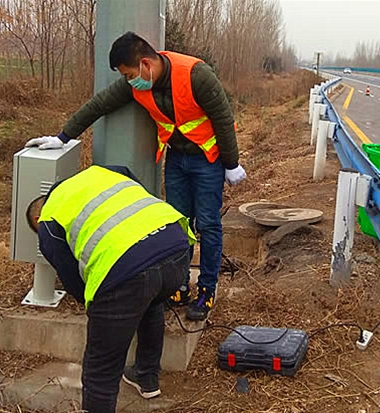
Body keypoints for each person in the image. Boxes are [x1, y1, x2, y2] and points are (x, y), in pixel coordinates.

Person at [26, 32, 246, 321]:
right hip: (177, 159)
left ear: (145, 64)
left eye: (130, 74)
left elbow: (222, 118)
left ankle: (206, 289)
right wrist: (63, 137)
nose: (130, 81)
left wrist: (231, 163)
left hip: (208, 159)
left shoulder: (196, 75)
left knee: (208, 223)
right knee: (178, 221)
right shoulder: (138, 84)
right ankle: (179, 285)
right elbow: (100, 104)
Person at [25, 165, 196, 413]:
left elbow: (74, 283)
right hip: (176, 247)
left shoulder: (48, 220)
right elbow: (130, 176)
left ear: (37, 214)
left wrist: (103, 311)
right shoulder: (100, 172)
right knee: (150, 302)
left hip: (126, 273)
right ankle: (146, 376)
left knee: (100, 376)